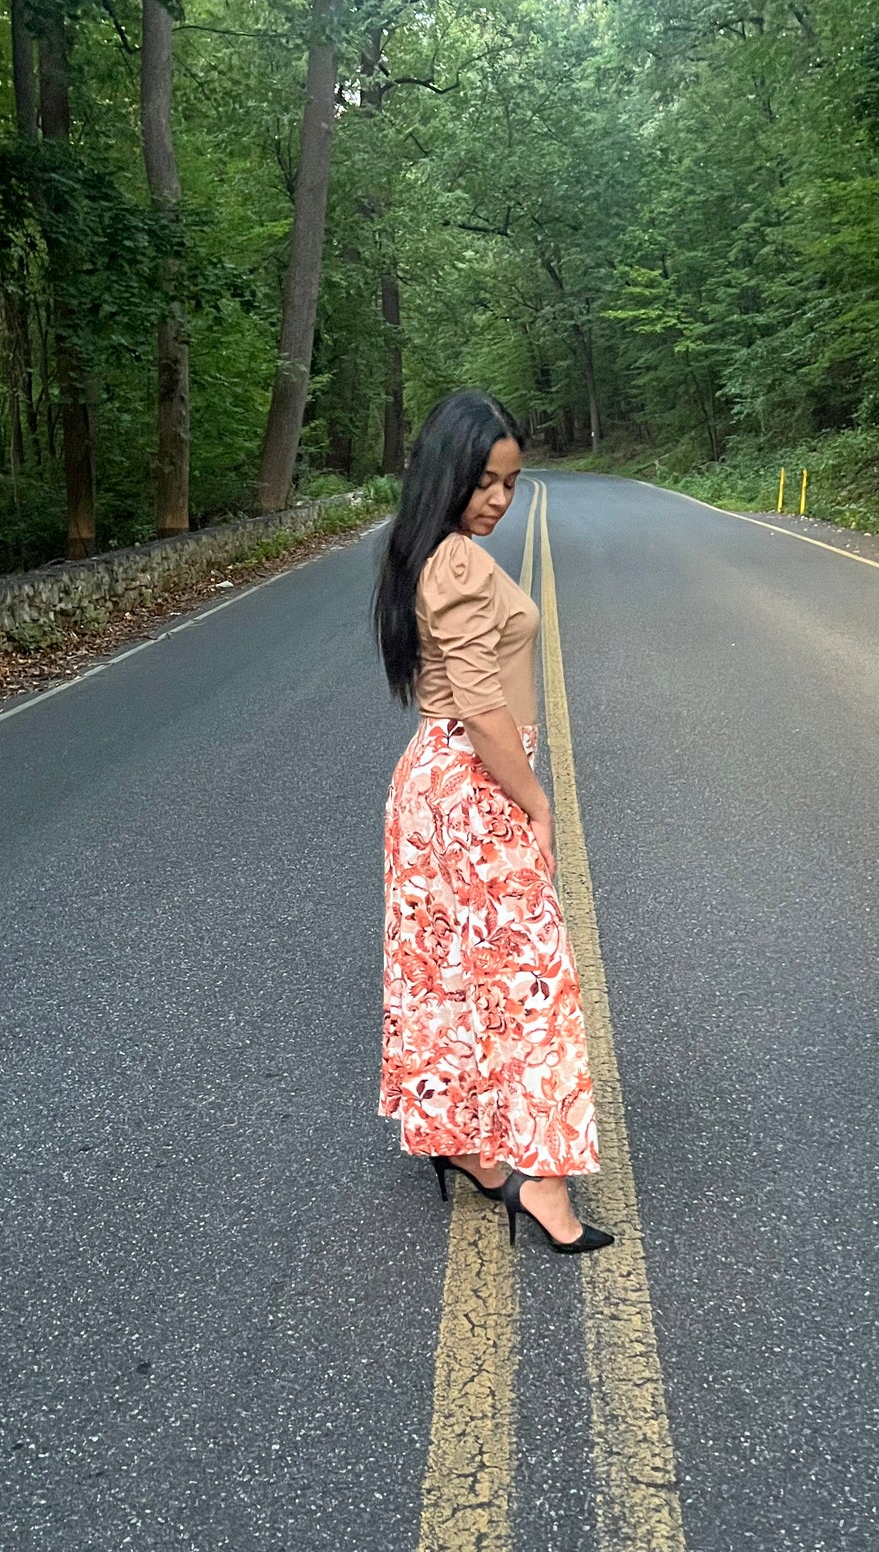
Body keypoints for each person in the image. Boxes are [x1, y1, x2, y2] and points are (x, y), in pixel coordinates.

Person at [373, 390, 613, 1255]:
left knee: (446, 977)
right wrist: (537, 802)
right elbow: (479, 705)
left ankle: (471, 1150)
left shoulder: (430, 556)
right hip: (474, 786)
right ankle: (542, 1182)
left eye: (509, 483)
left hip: (432, 787)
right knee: (533, 982)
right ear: (447, 474)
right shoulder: (461, 565)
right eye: (483, 481)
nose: (498, 501)